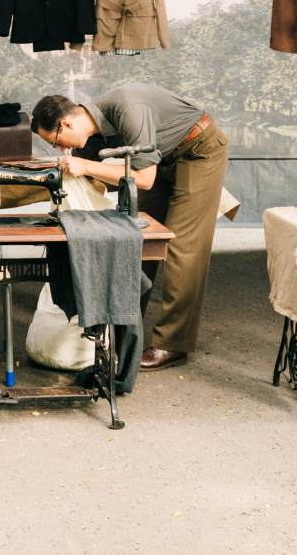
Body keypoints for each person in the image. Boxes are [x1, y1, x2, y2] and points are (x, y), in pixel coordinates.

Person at [29, 84, 229, 385]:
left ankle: (172, 343)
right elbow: (91, 174)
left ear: (66, 123)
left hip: (198, 150)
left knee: (180, 247)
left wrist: (84, 166)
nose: (59, 149)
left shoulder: (128, 109)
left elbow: (144, 179)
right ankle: (125, 330)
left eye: (55, 141)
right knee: (133, 236)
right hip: (164, 156)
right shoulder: (92, 130)